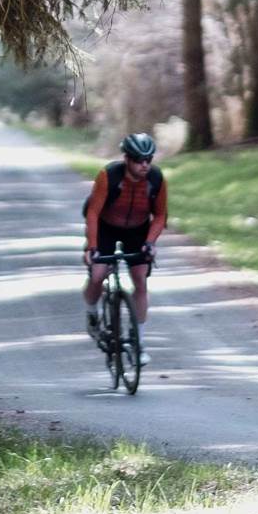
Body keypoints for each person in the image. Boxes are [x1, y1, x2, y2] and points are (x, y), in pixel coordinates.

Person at [83, 133, 167, 360]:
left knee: (140, 280)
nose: (144, 165)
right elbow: (93, 213)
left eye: (149, 159)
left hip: (138, 229)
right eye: (139, 160)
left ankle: (139, 342)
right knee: (98, 275)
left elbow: (160, 215)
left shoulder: (156, 179)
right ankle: (92, 313)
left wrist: (150, 243)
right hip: (106, 227)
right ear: (127, 159)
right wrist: (92, 247)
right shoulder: (109, 175)